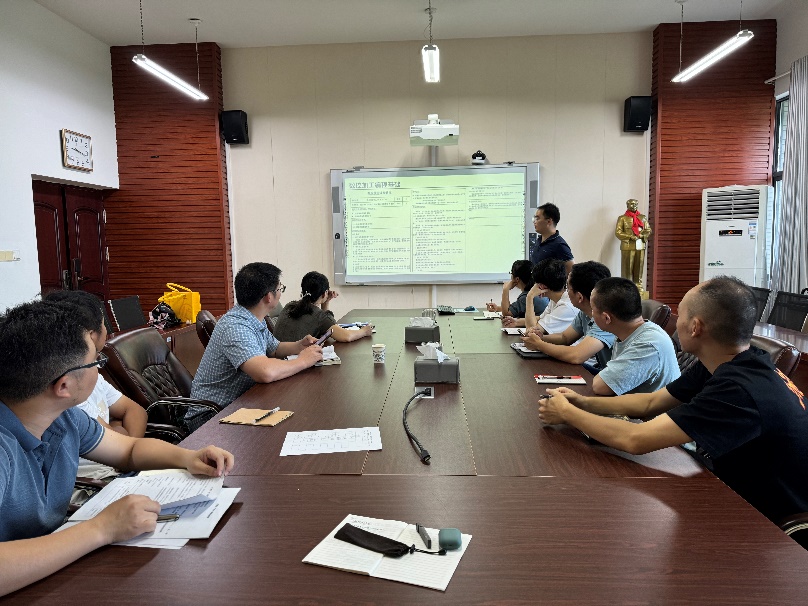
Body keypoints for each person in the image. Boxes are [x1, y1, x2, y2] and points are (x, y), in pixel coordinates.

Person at [0, 300, 234, 596]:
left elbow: (129, 450)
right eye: (95, 362)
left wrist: (188, 457)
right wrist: (102, 529)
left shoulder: (64, 418)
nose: (99, 369)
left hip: (54, 572)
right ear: (64, 386)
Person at [537, 276, 808, 524]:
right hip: (731, 485)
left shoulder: (738, 389)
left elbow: (636, 439)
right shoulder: (729, 361)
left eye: (680, 314)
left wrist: (567, 414)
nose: (675, 324)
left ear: (695, 327)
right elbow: (650, 403)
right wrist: (580, 402)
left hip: (771, 520)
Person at [43, 290, 147, 483]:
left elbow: (135, 411)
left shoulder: (91, 371)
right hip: (97, 480)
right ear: (91, 335)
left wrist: (127, 450)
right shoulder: (70, 387)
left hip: (119, 466)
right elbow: (115, 441)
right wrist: (121, 436)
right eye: (104, 323)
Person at [191, 262, 323, 408]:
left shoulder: (252, 318)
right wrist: (303, 361)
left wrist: (300, 345)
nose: (281, 292)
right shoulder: (235, 327)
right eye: (280, 288)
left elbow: (274, 348)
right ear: (268, 297)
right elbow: (265, 372)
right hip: (213, 414)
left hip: (242, 401)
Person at [585, 277, 679, 395]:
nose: (591, 314)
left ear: (606, 318)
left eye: (592, 309)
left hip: (647, 408)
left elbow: (600, 386)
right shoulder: (628, 331)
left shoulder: (647, 344)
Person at [520, 261, 615, 370]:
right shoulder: (584, 313)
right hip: (602, 371)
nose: (565, 291)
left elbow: (577, 356)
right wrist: (541, 338)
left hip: (609, 375)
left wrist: (538, 344)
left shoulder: (605, 319)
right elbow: (564, 338)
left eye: (567, 287)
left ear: (579, 297)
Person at [273, 271, 373, 343]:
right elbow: (346, 336)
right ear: (325, 293)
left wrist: (325, 302)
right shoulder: (319, 316)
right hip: (295, 361)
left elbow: (325, 324)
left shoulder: (289, 305)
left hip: (276, 359)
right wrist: (364, 331)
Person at [517, 258, 578, 335]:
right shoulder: (557, 298)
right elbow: (541, 318)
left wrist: (530, 296)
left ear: (541, 286)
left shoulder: (566, 306)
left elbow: (532, 332)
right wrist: (516, 322)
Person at [485, 260, 547, 324]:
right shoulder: (537, 291)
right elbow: (516, 309)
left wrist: (505, 290)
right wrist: (497, 308)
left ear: (517, 279)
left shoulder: (526, 296)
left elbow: (506, 314)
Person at [614, 198, 652, 288]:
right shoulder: (622, 218)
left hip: (640, 245)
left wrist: (642, 235)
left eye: (635, 204)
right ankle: (626, 286)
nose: (634, 205)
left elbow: (648, 230)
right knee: (627, 268)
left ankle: (638, 286)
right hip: (627, 246)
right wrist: (629, 237)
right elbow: (618, 232)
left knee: (639, 267)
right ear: (627, 205)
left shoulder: (642, 218)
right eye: (631, 204)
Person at [530, 202, 574, 275]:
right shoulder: (539, 240)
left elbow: (571, 271)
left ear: (549, 221)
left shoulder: (559, 245)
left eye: (537, 218)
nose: (534, 222)